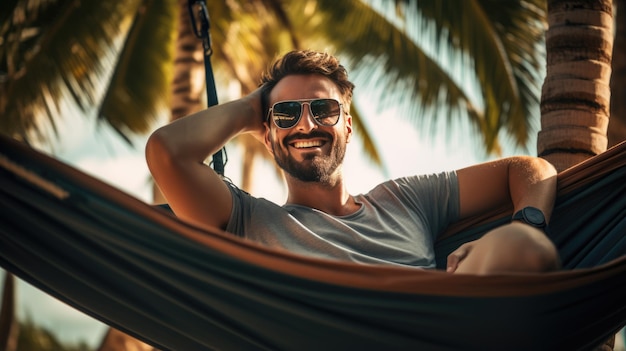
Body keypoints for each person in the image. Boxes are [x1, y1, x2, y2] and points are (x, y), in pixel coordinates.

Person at [145, 49, 560, 275]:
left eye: (323, 109)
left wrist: (528, 223)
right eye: (288, 114)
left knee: (522, 246)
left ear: (347, 125)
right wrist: (254, 108)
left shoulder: (406, 199)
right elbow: (166, 153)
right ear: (267, 137)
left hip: (446, 328)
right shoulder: (247, 222)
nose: (306, 123)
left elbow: (529, 170)